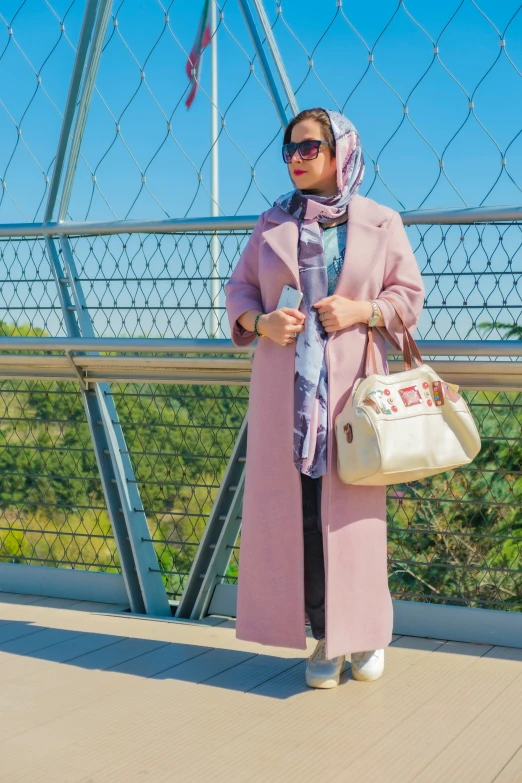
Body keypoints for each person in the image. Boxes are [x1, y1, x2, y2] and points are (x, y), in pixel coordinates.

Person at [224, 108, 424, 689]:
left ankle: (363, 635)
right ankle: (323, 637)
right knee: (301, 517)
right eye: (289, 148)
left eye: (309, 148)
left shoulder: (382, 222)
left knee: (356, 516)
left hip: (355, 397)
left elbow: (408, 296)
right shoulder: (269, 224)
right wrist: (261, 322)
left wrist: (363, 311)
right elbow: (237, 289)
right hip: (287, 398)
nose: (295, 158)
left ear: (341, 152)